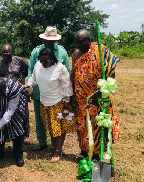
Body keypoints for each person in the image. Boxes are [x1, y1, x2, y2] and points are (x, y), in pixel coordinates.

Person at [71, 29, 120, 159]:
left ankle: (97, 154)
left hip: (97, 98)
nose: (79, 45)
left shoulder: (101, 51)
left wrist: (98, 94)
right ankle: (84, 152)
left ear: (89, 40)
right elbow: (73, 74)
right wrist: (73, 96)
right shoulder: (76, 54)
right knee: (82, 126)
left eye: (82, 42)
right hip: (81, 99)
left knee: (97, 126)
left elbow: (111, 75)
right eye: (77, 42)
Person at [25, 48, 76, 163]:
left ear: (52, 59)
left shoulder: (60, 69)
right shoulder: (38, 65)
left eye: (46, 61)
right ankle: (53, 149)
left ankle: (58, 152)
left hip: (57, 102)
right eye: (41, 61)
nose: (43, 63)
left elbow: (67, 87)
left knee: (60, 128)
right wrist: (25, 86)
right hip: (44, 102)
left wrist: (66, 107)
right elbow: (33, 79)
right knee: (51, 128)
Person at [28, 26, 71, 151]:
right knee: (41, 118)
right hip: (39, 92)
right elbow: (31, 70)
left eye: (51, 42)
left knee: (57, 120)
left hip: (57, 94)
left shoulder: (62, 52)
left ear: (55, 41)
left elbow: (67, 71)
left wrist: (68, 96)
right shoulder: (36, 52)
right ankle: (42, 143)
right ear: (43, 40)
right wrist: (29, 87)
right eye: (47, 41)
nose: (49, 43)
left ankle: (58, 147)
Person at [0, 77, 26, 167]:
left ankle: (18, 155)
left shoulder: (13, 88)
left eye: (0, 95)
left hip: (14, 106)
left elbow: (10, 110)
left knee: (16, 126)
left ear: (5, 89)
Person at [0, 44, 30, 143]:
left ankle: (25, 134)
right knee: (8, 112)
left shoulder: (19, 60)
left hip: (19, 90)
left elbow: (29, 69)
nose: (5, 54)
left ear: (11, 51)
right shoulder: (0, 63)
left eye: (7, 52)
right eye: (3, 52)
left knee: (23, 112)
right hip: (6, 93)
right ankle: (10, 133)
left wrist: (22, 78)